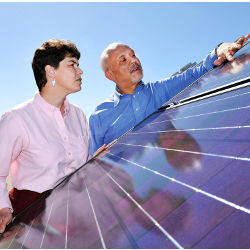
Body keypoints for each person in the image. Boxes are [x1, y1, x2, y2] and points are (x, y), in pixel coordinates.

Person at [89, 34, 250, 155]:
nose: (133, 61)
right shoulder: (99, 116)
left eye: (133, 55)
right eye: (123, 60)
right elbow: (91, 166)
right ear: (110, 75)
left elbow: (196, 74)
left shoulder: (161, 90)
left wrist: (218, 51)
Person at [0, 39, 92, 234]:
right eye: (72, 64)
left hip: (72, 216)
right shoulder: (16, 119)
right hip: (28, 221)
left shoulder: (79, 115)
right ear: (50, 71)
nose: (80, 71)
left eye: (78, 65)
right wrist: (3, 208)